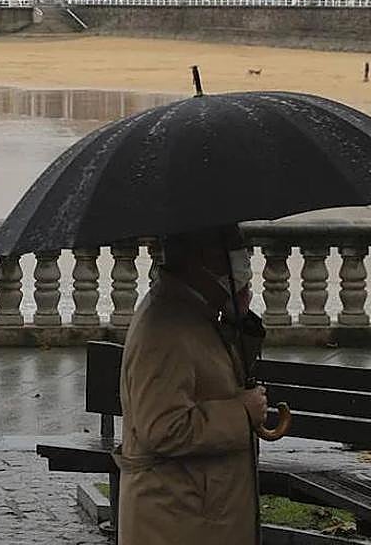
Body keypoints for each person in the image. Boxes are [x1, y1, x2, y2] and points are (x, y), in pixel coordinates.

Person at [116, 226, 267, 545]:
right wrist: (242, 412)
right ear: (204, 258)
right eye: (235, 249)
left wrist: (239, 317)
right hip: (178, 520)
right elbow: (163, 428)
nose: (243, 260)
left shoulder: (195, 313)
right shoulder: (166, 328)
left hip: (199, 513)